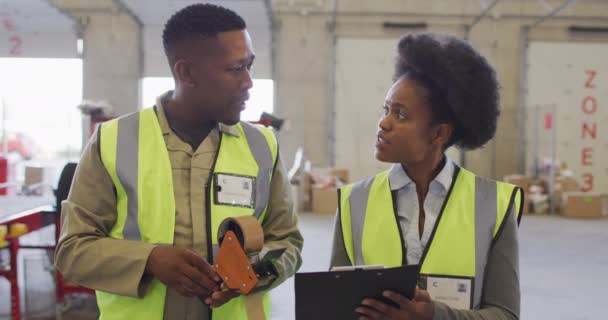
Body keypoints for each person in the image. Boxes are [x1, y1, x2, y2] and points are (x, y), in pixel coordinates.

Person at [55, 4, 303, 320]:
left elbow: (287, 241)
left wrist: (253, 272)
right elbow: (73, 250)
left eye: (249, 66)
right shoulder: (114, 141)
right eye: (234, 69)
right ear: (186, 72)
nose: (248, 83)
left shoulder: (262, 146)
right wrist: (149, 260)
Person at [330, 32, 523, 320]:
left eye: (401, 115)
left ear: (438, 133)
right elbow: (335, 306)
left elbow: (505, 314)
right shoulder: (353, 201)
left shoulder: (494, 204)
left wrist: (435, 315)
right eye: (386, 110)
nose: (384, 123)